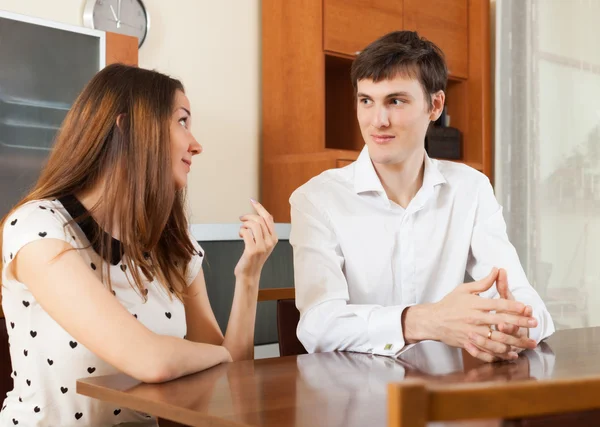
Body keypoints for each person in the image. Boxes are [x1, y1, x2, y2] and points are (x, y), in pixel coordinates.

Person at [0, 63, 278, 426]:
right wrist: (218, 355)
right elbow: (152, 361)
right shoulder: (39, 227)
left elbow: (228, 376)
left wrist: (249, 277)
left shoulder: (173, 244)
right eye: (182, 121)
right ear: (127, 127)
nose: (196, 145)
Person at [289, 31, 554, 363]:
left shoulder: (470, 188)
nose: (377, 121)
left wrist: (515, 326)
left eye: (395, 101)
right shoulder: (316, 199)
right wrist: (428, 320)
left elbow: (525, 299)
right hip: (358, 403)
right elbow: (317, 326)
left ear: (435, 105)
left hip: (448, 401)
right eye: (366, 100)